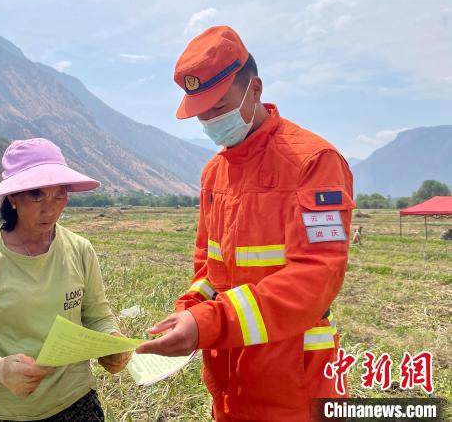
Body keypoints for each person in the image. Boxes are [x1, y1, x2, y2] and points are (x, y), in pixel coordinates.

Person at [136, 26, 354, 421]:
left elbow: (316, 278)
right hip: (228, 381)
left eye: (218, 108)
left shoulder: (315, 162)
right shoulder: (214, 173)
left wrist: (209, 322)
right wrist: (189, 308)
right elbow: (208, 269)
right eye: (201, 113)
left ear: (254, 89)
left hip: (296, 385)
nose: (209, 121)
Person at [0, 138, 130, 422]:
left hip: (76, 403)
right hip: (8, 412)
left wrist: (113, 343)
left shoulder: (79, 250)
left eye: (59, 196)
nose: (50, 210)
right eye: (37, 196)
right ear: (13, 198)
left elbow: (98, 316)